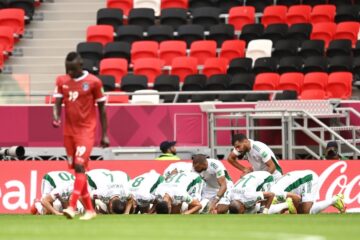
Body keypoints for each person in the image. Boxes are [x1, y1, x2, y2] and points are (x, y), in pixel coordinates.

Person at [52, 52, 110, 220]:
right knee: (78, 171)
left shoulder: (94, 82)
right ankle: (90, 210)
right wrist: (55, 116)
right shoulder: (61, 81)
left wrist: (105, 134)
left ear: (80, 65)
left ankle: (72, 206)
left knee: (79, 166)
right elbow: (56, 102)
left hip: (86, 131)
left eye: (72, 69)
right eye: (67, 69)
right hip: (69, 132)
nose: (69, 73)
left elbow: (102, 109)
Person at [271, 170, 346, 214]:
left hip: (308, 179)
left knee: (305, 212)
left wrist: (293, 213)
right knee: (301, 211)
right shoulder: (271, 194)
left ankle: (334, 200)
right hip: (296, 184)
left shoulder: (275, 193)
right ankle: (335, 200)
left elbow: (296, 198)